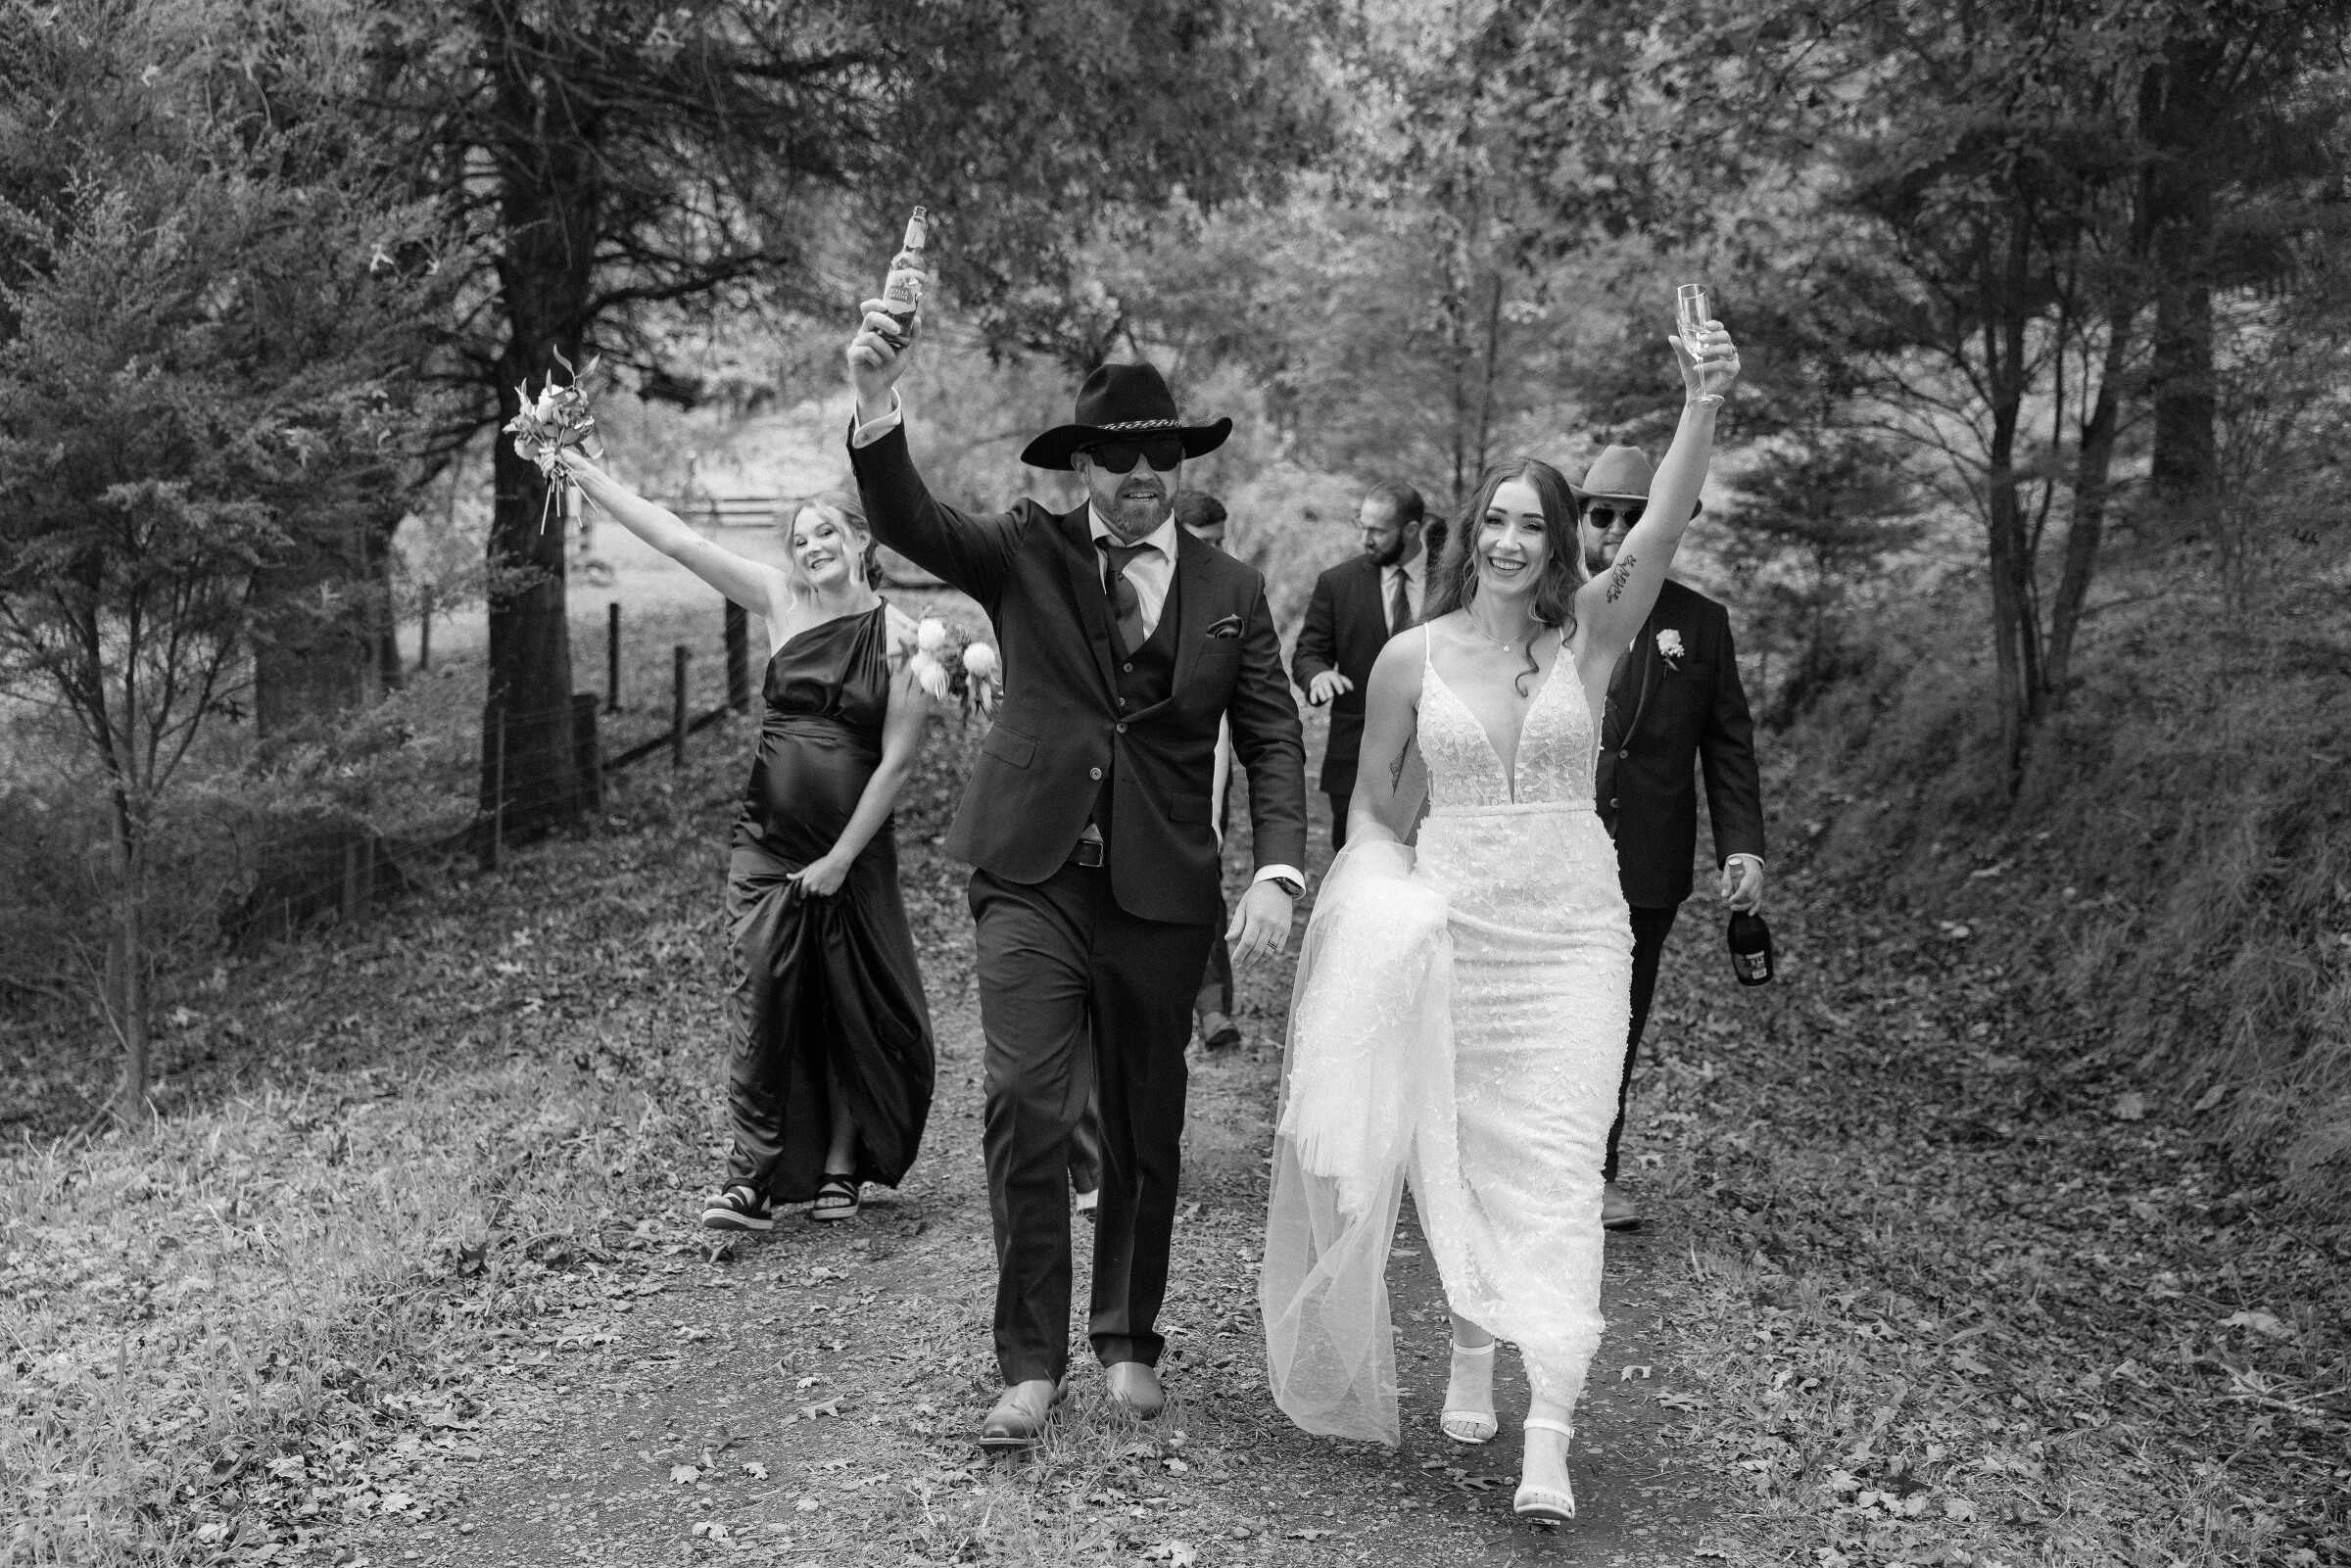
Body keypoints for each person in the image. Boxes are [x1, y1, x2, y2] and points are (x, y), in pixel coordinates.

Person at [1262, 308, 1740, 1522]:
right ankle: (1474, 1336)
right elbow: (1373, 809)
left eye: (1536, 523)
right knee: (1465, 1155)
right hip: (1461, 929)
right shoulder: (1409, 658)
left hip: (1576, 933)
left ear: (1561, 542)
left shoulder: (1592, 636)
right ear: (1470, 534)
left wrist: (1702, 405)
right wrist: (1385, 901)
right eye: (1498, 521)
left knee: (1565, 1168)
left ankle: (1551, 1434)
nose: (1514, 541)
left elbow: (1664, 523)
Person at [844, 301, 1309, 1448]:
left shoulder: (1234, 591)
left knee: (1148, 1124)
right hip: (1031, 875)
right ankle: (1029, 1362)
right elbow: (907, 517)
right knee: (1026, 1102)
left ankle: (1128, 1335)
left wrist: (1276, 867)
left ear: (1181, 463)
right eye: (1117, 456)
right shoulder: (1025, 549)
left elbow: (1271, 737)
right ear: (1083, 465)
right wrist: (874, 397)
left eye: (1162, 455)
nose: (1141, 474)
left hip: (1162, 893)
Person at [559, 463, 937, 1232]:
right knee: (761, 995)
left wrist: (840, 859)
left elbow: (897, 762)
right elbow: (679, 540)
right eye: (800, 539)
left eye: (826, 531)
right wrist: (587, 473)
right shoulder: (778, 600)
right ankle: (751, 1178)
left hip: (853, 850)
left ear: (861, 539)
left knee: (847, 1001)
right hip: (765, 844)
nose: (812, 547)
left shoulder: (906, 639)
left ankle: (840, 1162)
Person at [1575, 446, 1767, 1233]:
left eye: (1639, 515)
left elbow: (1728, 742)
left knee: (1617, 1018)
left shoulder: (1702, 623)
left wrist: (1742, 846)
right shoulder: (1547, 608)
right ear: (1579, 520)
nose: (1619, 529)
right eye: (1603, 514)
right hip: (1548, 851)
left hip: (1646, 860)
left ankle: (1594, 1170)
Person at [1290, 481, 1429, 852]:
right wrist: (1318, 674)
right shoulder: (1336, 583)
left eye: (1378, 531)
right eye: (1361, 526)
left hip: (1435, 757)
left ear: (1411, 530)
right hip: (1354, 757)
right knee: (1356, 862)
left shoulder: (1453, 580)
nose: (1365, 539)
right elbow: (1308, 652)